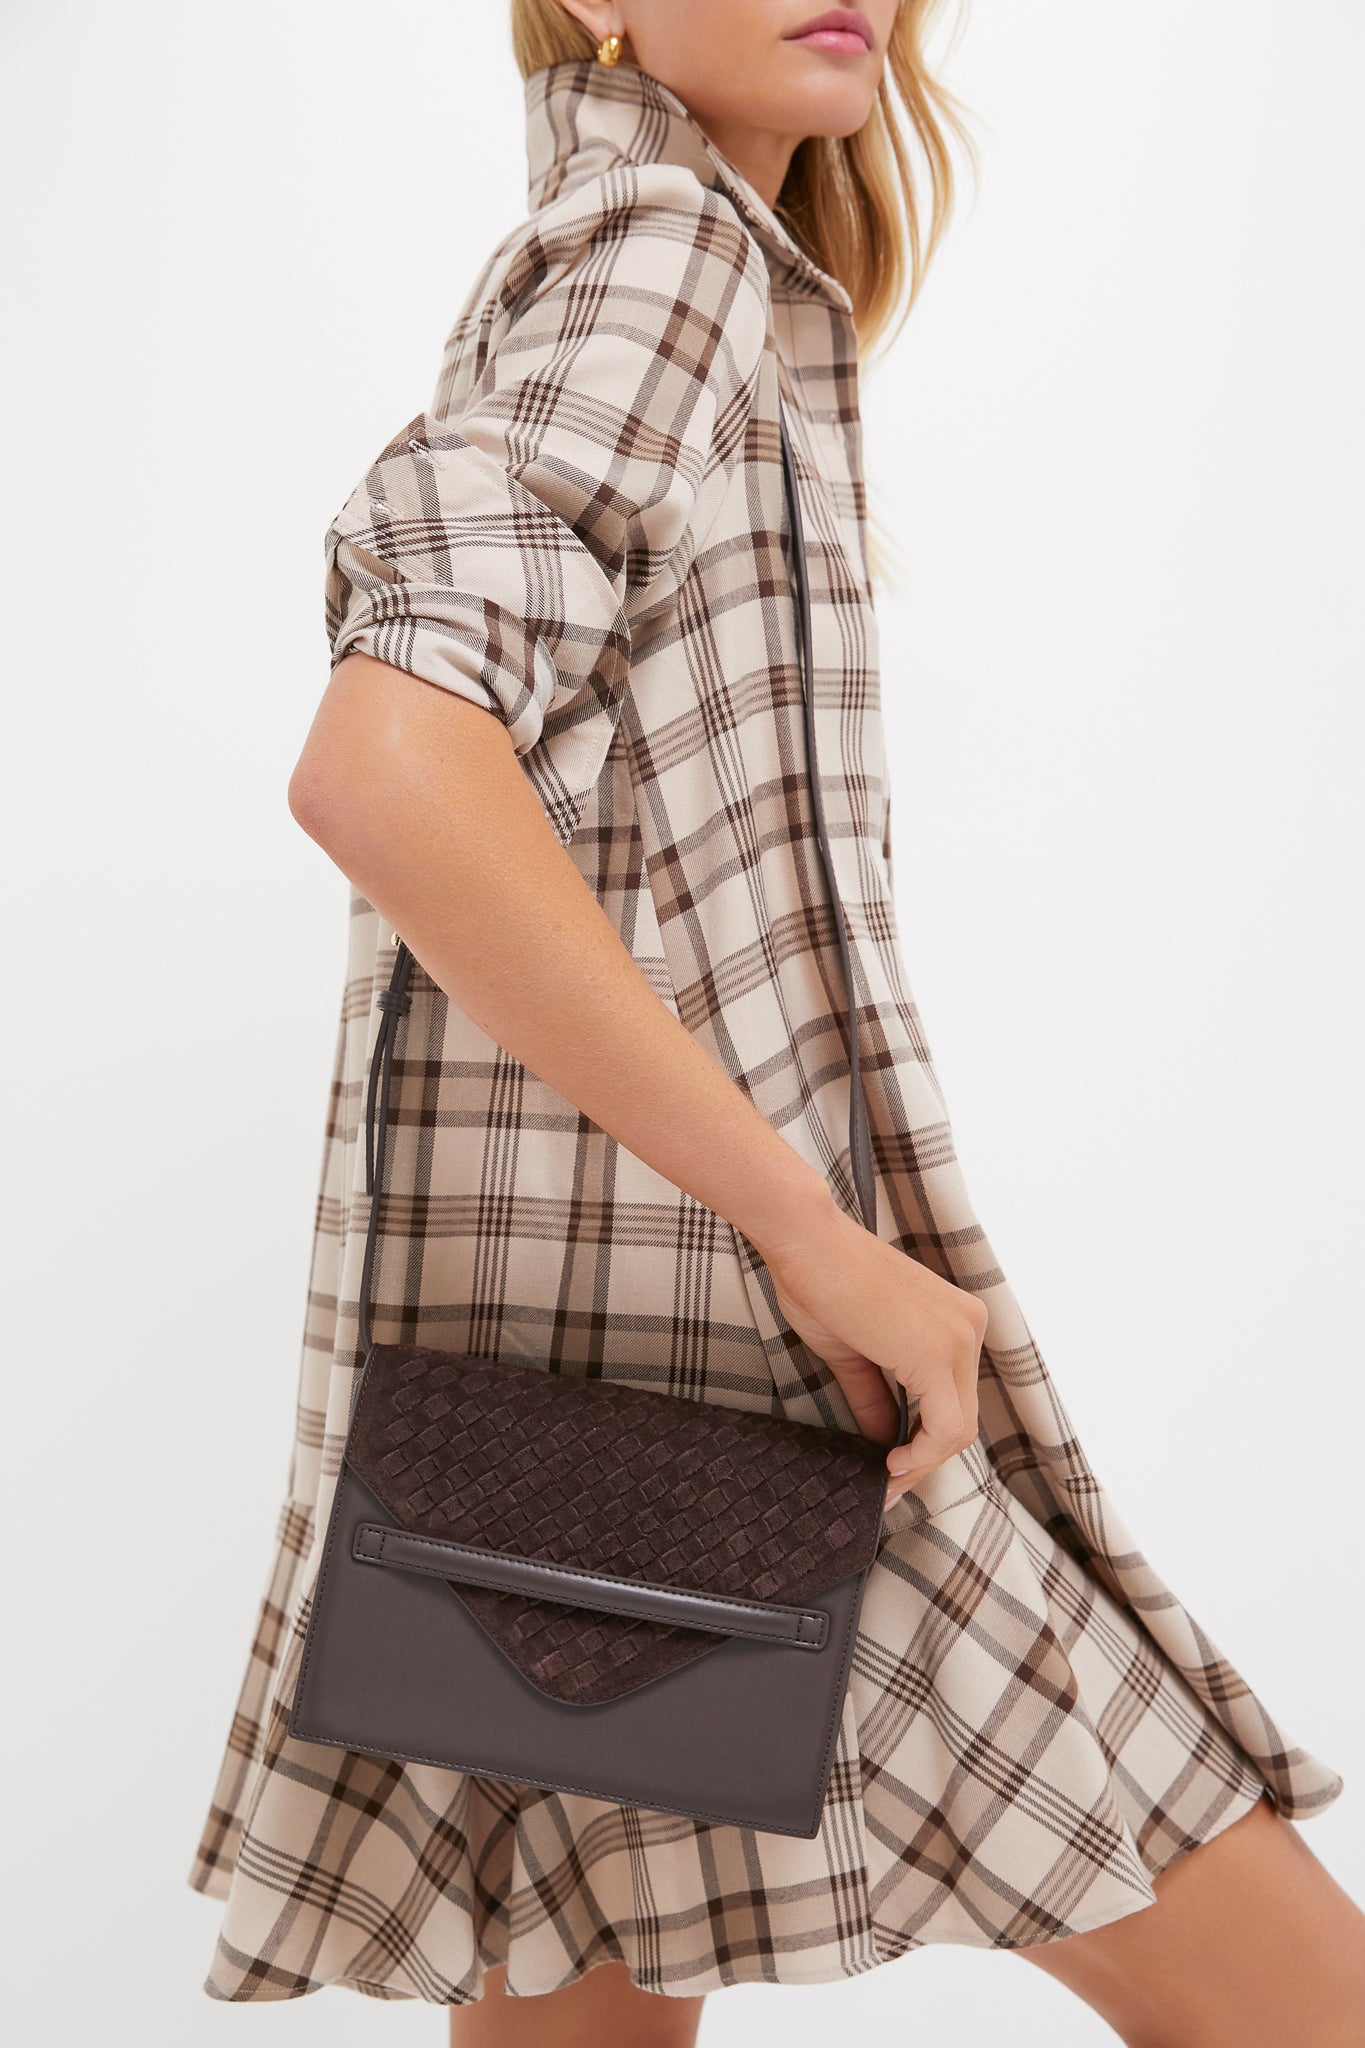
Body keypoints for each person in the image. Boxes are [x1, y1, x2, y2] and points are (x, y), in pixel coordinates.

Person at [187, 2, 1361, 2039]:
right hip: (768, 1406)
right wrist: (817, 1240)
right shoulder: (661, 248)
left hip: (577, 1446)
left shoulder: (664, 249)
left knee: (577, 2008)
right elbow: (381, 765)